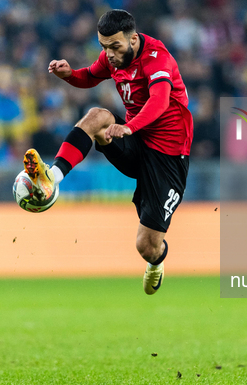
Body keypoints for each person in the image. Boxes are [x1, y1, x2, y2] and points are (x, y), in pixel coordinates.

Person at [22, 9, 193, 295]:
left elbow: (160, 101)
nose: (109, 54)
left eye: (115, 46)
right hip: (137, 142)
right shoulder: (112, 56)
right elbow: (89, 76)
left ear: (133, 39)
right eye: (104, 47)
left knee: (146, 246)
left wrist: (130, 127)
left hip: (168, 155)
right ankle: (52, 177)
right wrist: (69, 75)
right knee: (97, 117)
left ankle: (157, 262)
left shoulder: (156, 58)